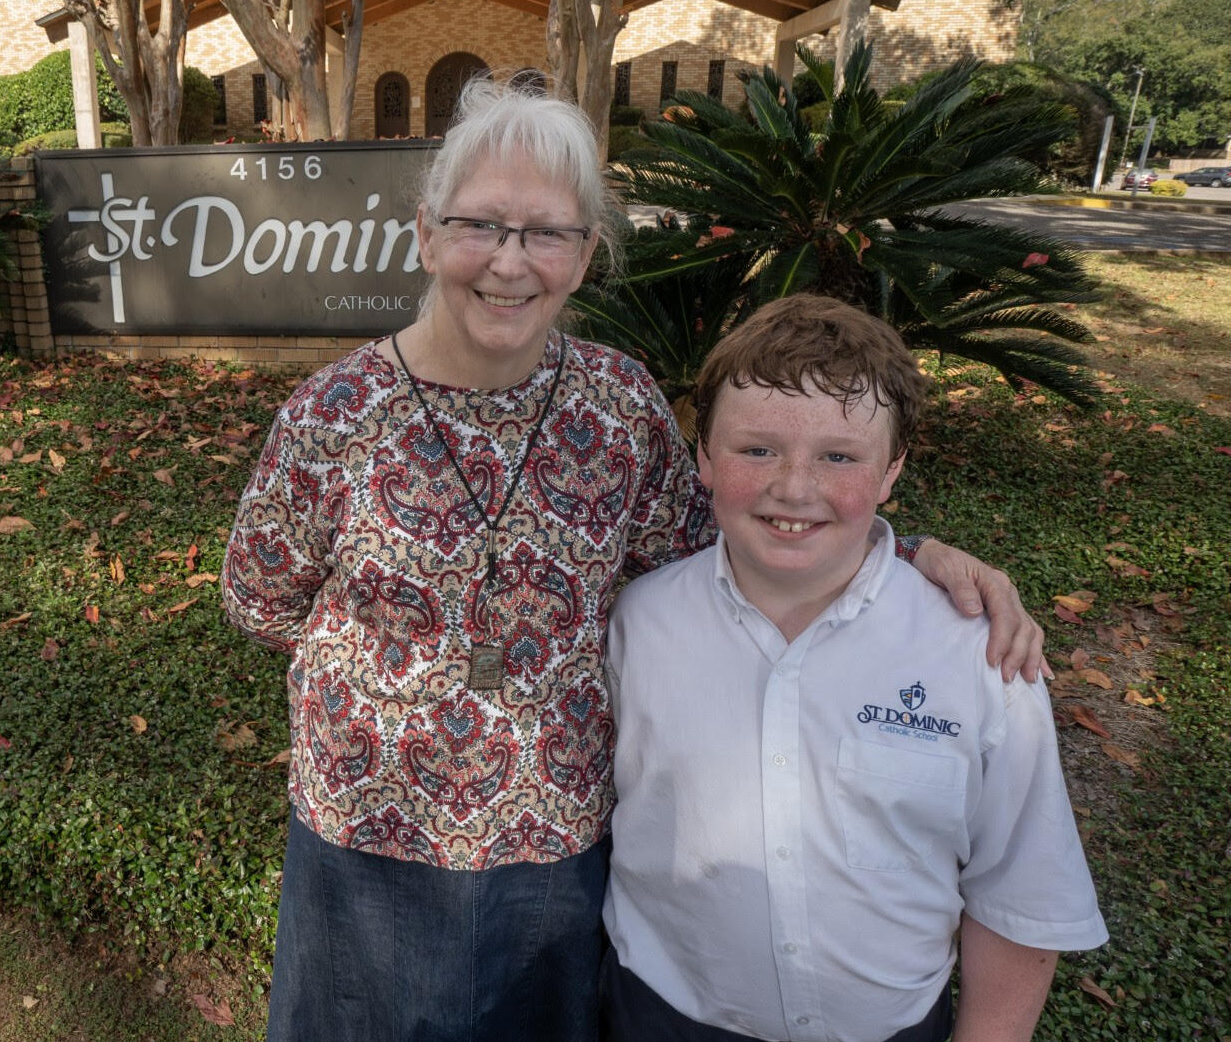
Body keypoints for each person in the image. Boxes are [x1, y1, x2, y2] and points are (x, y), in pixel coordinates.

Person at [220, 75, 1045, 1042]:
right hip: (369, 830)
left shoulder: (619, 408)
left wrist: (922, 556)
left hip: (559, 840)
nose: (510, 263)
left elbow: (733, 552)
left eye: (549, 233)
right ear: (426, 235)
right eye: (481, 224)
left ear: (586, 254)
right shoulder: (333, 414)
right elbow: (261, 599)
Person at [600, 295, 1106, 1042]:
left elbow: (1020, 894)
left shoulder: (975, 652)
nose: (795, 487)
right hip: (662, 1016)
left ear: (892, 470)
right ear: (703, 456)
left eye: (839, 457)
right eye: (756, 449)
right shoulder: (639, 625)